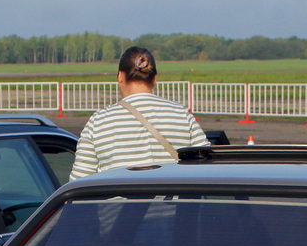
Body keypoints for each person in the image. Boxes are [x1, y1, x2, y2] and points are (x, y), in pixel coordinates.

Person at [69, 46, 209, 180]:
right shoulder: (182, 115)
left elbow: (79, 181)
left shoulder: (98, 121)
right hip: (175, 205)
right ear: (154, 79)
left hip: (117, 205)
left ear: (120, 77)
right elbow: (208, 167)